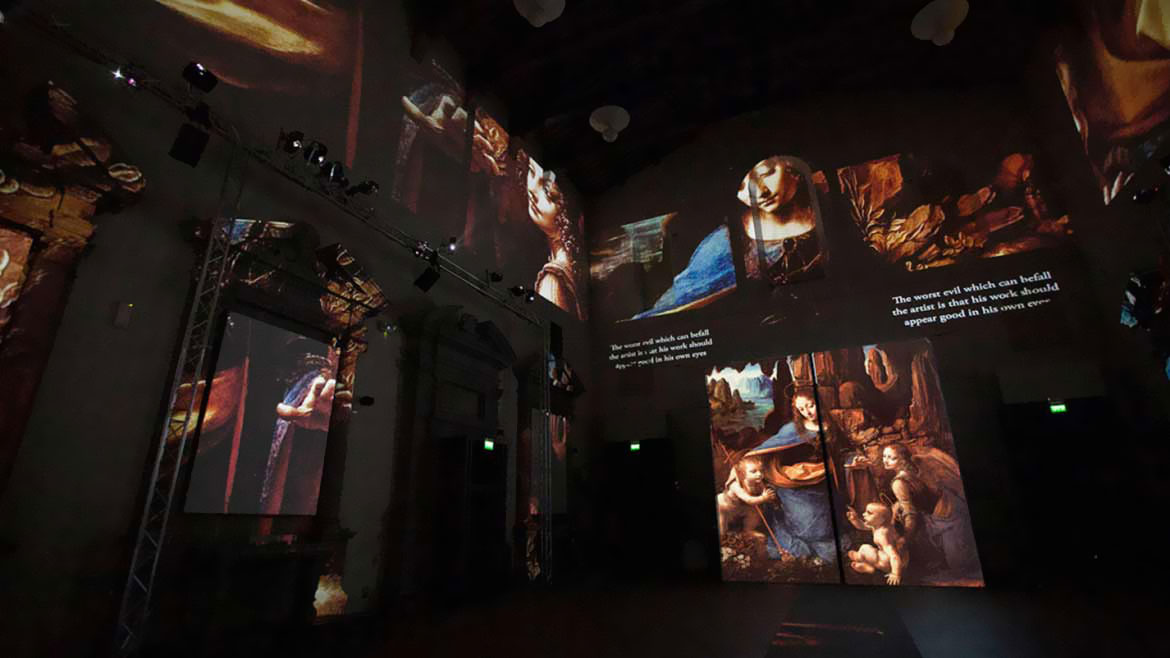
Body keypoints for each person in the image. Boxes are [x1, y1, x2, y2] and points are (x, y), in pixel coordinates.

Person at [746, 390, 837, 564]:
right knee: (806, 522)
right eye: (802, 409)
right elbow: (768, 448)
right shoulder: (791, 429)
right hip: (792, 482)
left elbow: (840, 450)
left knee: (825, 528)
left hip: (821, 478)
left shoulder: (831, 425)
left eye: (811, 405)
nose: (807, 412)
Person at [880, 443, 982, 582]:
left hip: (947, 517)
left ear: (902, 460)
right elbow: (920, 492)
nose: (885, 460)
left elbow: (911, 514)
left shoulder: (898, 483)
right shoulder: (915, 466)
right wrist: (898, 505)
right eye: (884, 456)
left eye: (892, 458)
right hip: (952, 501)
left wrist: (906, 538)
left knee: (960, 567)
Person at [735, 156, 825, 285]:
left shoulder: (839, 194)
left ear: (790, 165)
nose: (759, 193)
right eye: (741, 187)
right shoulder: (732, 237)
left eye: (765, 174)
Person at [526, 157, 587, 320]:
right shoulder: (571, 266)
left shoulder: (552, 280)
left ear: (565, 216)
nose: (533, 190)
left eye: (548, 193)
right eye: (531, 172)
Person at [845, 502, 907, 585]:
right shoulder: (878, 525)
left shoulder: (883, 535)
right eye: (865, 511)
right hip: (891, 557)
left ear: (881, 519)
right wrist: (854, 519)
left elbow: (894, 556)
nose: (863, 514)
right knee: (866, 548)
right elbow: (863, 526)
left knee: (865, 548)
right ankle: (865, 562)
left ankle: (866, 564)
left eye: (869, 513)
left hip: (893, 563)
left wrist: (896, 574)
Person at [716, 455, 777, 537]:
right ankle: (722, 535)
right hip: (725, 507)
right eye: (753, 471)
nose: (759, 474)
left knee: (754, 513)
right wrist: (763, 498)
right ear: (743, 474)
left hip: (741, 507)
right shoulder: (736, 485)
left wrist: (769, 497)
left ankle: (748, 530)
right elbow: (749, 500)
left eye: (761, 471)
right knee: (722, 527)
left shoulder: (758, 482)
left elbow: (764, 492)